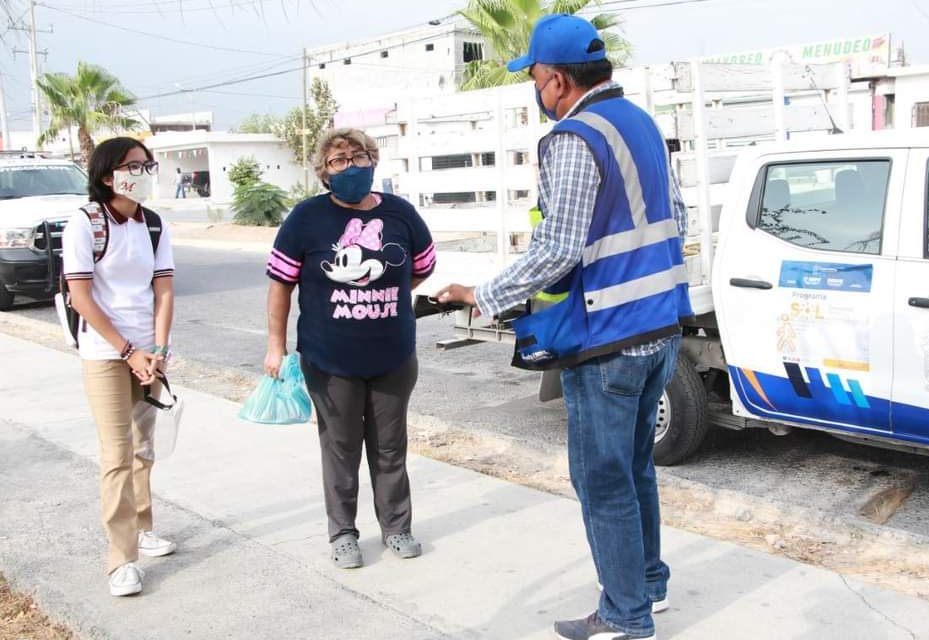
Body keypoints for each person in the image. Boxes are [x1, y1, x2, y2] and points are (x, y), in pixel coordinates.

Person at [435, 14, 690, 640]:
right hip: (663, 325)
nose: (536, 91)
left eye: (535, 79)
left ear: (554, 80)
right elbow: (676, 215)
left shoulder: (576, 137)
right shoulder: (641, 122)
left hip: (610, 340)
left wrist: (482, 295)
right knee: (634, 470)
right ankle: (646, 588)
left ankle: (624, 616)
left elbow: (558, 248)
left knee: (602, 481)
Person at [263, 128, 436, 569]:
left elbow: (420, 268)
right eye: (339, 161)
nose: (350, 166)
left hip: (392, 355)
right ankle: (343, 533)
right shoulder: (305, 218)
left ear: (373, 161)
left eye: (358, 156)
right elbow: (281, 286)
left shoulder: (401, 213)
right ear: (324, 172)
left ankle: (396, 529)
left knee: (391, 446)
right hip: (329, 358)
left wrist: (384, 295)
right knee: (340, 447)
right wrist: (275, 346)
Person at [61, 136, 177, 597]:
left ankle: (143, 526)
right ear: (109, 175)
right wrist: (129, 351)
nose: (145, 172)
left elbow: (164, 290)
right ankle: (120, 559)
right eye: (135, 165)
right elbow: (82, 298)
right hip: (107, 353)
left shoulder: (153, 224)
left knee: (144, 447)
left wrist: (159, 349)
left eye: (148, 165)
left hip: (150, 353)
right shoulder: (85, 223)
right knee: (116, 453)